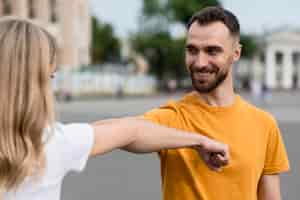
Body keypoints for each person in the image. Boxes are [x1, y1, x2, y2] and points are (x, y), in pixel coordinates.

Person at [0, 17, 229, 200]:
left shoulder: (55, 141)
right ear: (35, 82)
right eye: (50, 77)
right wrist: (199, 141)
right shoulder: (50, 145)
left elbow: (123, 129)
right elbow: (131, 131)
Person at [143, 6, 290, 200]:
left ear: (236, 53)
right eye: (192, 50)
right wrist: (197, 141)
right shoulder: (171, 116)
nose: (200, 62)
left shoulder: (265, 124)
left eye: (212, 51)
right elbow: (126, 132)